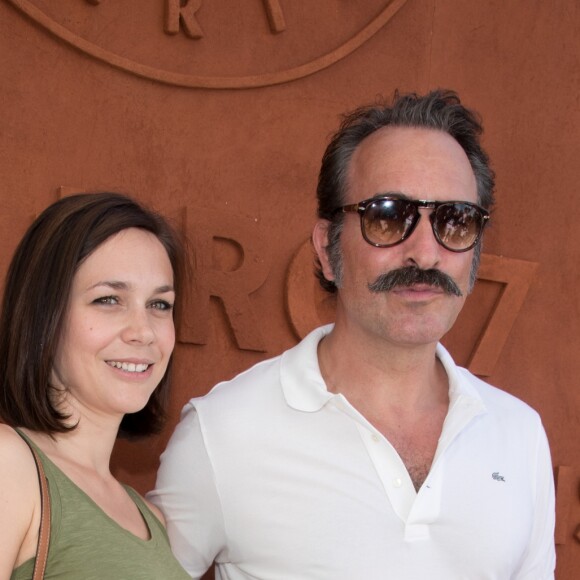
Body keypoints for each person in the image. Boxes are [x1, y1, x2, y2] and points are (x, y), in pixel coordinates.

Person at [150, 90, 556, 579]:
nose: (425, 253)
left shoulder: (518, 434)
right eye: (388, 216)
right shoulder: (222, 434)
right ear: (327, 246)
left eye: (454, 219)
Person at [0, 192, 191, 579]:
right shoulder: (10, 466)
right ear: (45, 318)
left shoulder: (149, 517)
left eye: (159, 305)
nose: (143, 332)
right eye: (108, 299)